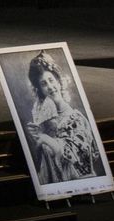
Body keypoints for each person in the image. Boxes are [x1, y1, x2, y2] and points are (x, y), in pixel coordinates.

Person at [24, 50, 97, 183]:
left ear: (58, 81)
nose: (50, 87)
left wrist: (44, 138)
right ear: (40, 90)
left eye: (51, 80)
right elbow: (42, 163)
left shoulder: (76, 119)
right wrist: (36, 137)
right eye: (44, 84)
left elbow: (73, 158)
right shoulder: (43, 120)